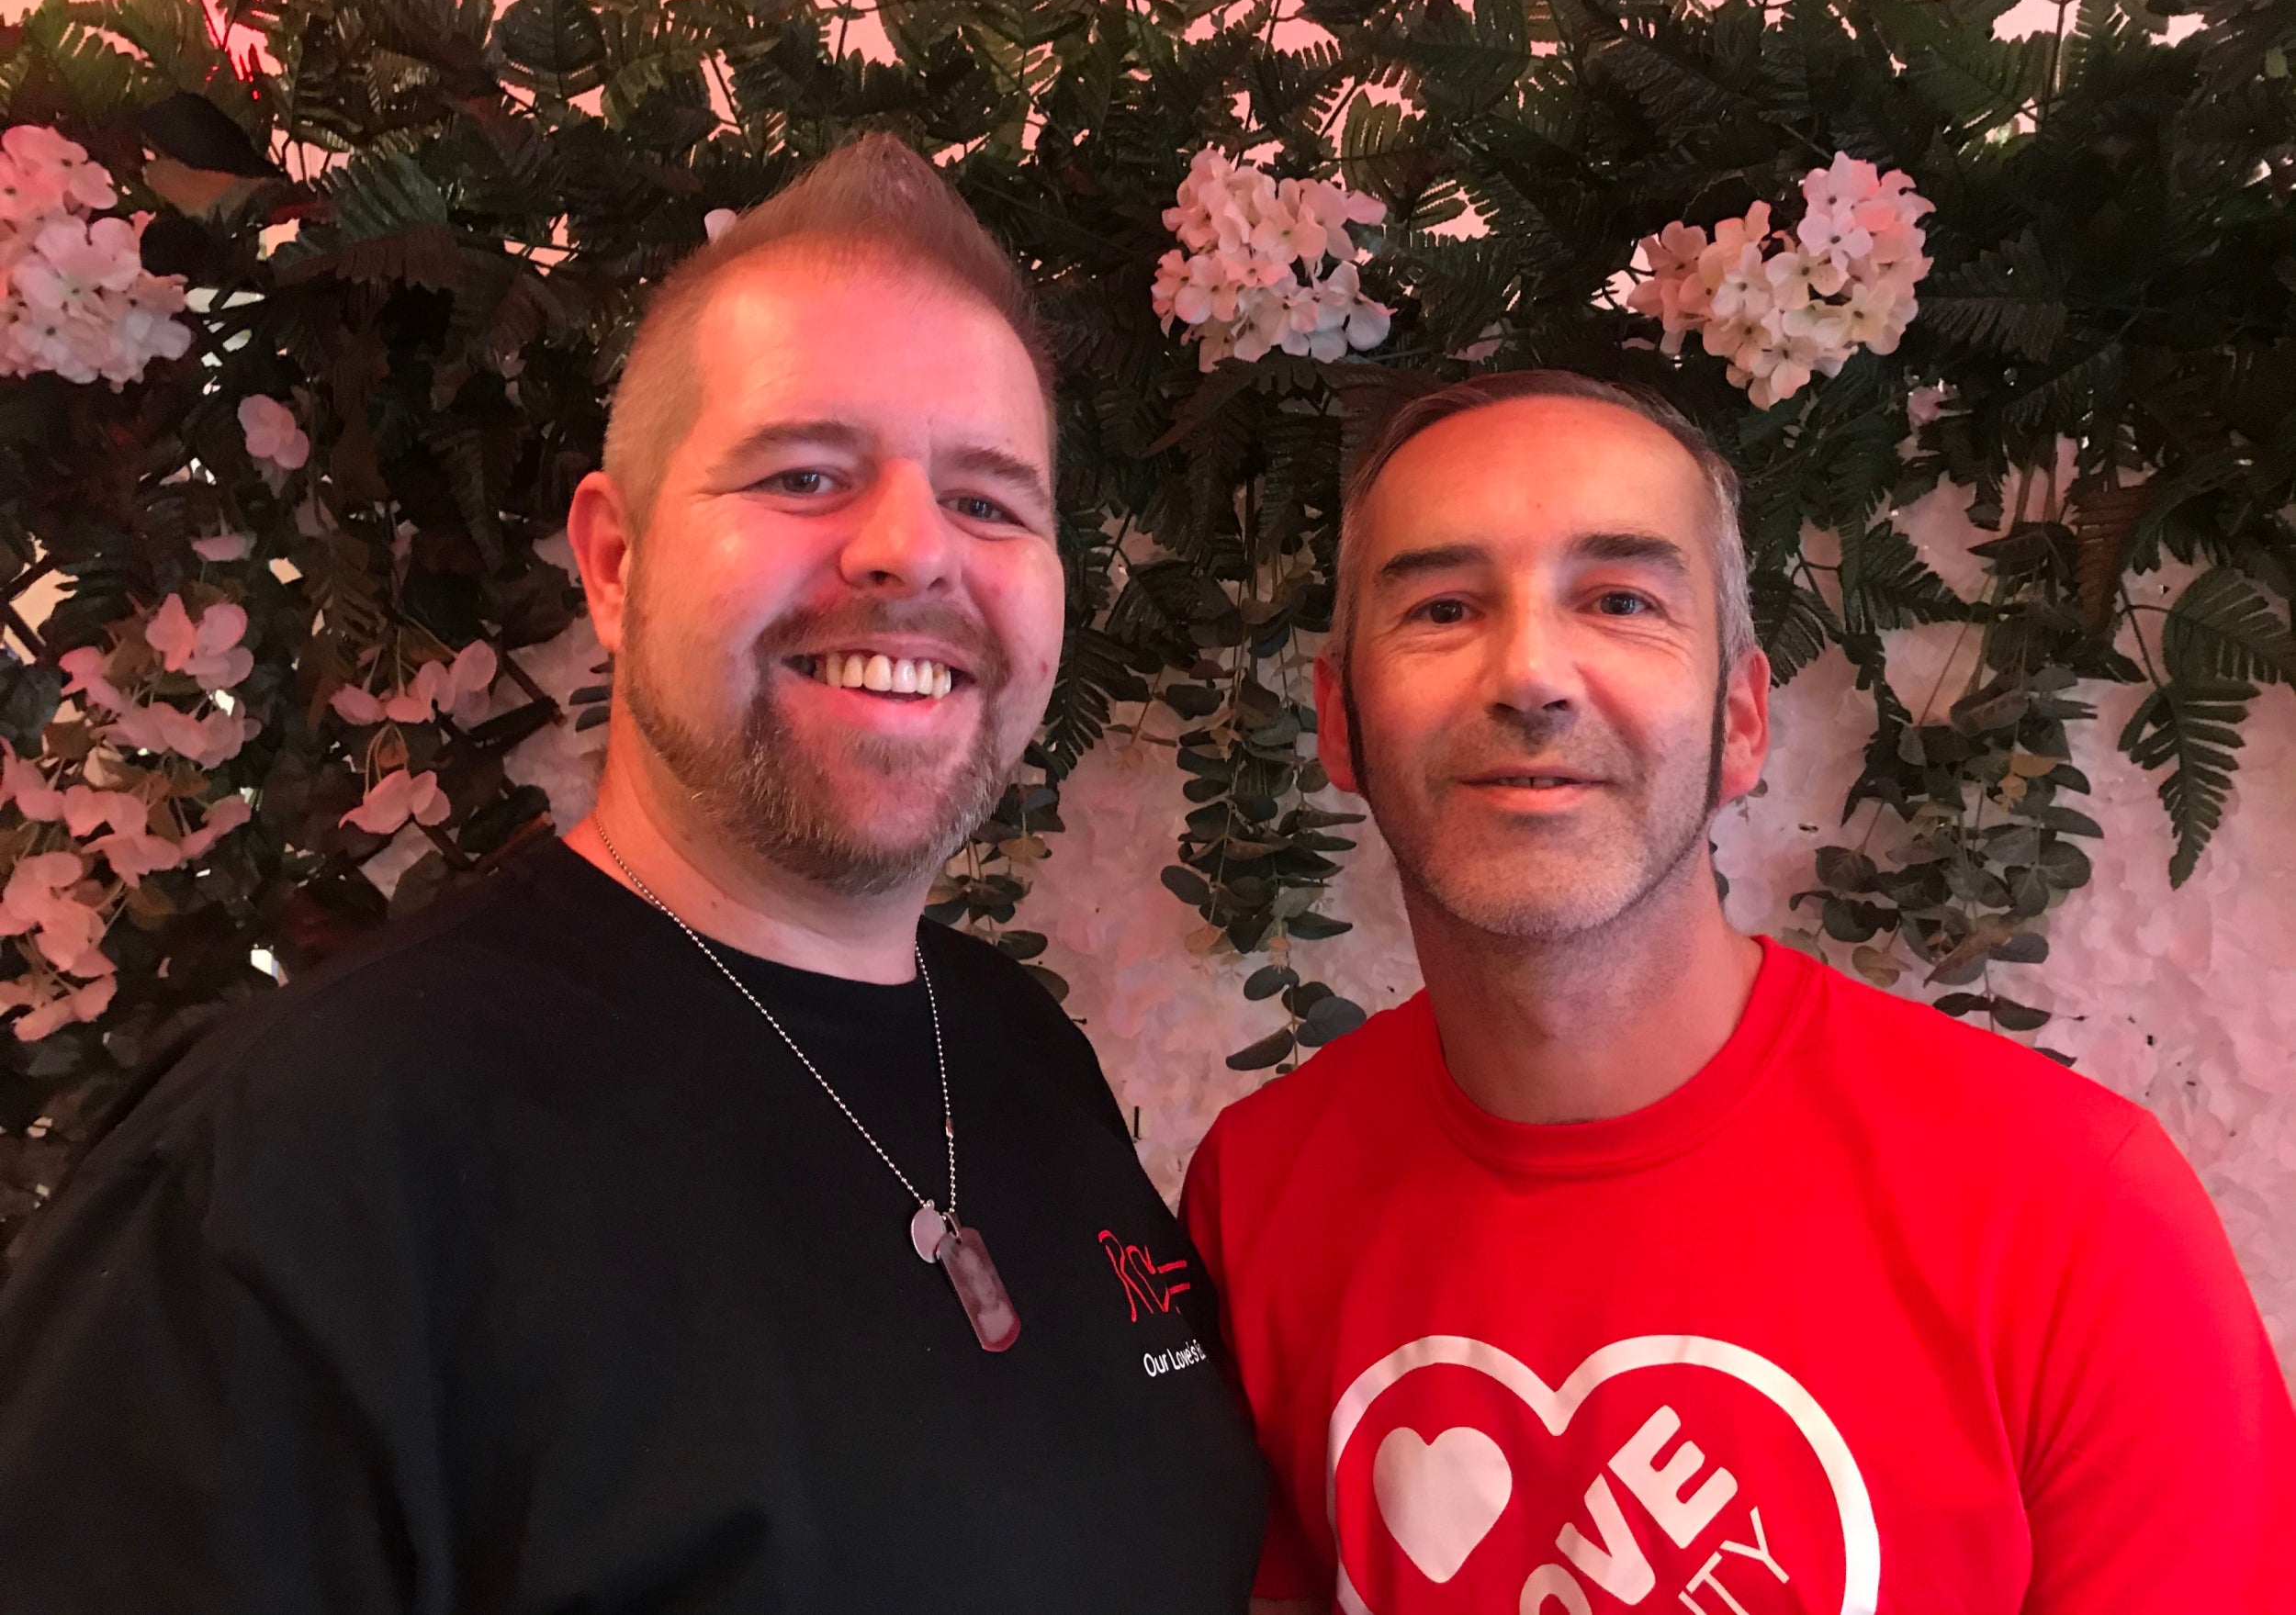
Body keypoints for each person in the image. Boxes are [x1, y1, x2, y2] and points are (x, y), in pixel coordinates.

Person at [0, 136, 1265, 1612]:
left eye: (991, 502)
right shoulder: (300, 1165)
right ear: (613, 563)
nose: (914, 552)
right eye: (806, 473)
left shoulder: (1017, 1045)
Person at [1180, 369, 2296, 1615]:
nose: (1532, 675)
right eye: (1443, 608)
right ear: (1341, 723)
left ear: (1743, 719)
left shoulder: (2079, 1218)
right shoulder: (1256, 1191)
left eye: (1622, 600)